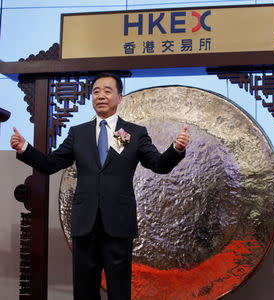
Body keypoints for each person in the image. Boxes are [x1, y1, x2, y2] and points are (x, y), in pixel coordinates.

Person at [10, 72, 189, 300]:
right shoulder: (78, 133)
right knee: (84, 290)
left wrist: (176, 149)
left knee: (119, 289)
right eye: (96, 92)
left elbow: (158, 165)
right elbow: (49, 164)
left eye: (107, 91)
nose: (101, 96)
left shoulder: (132, 133)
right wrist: (25, 147)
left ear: (119, 97)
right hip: (85, 224)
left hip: (119, 224)